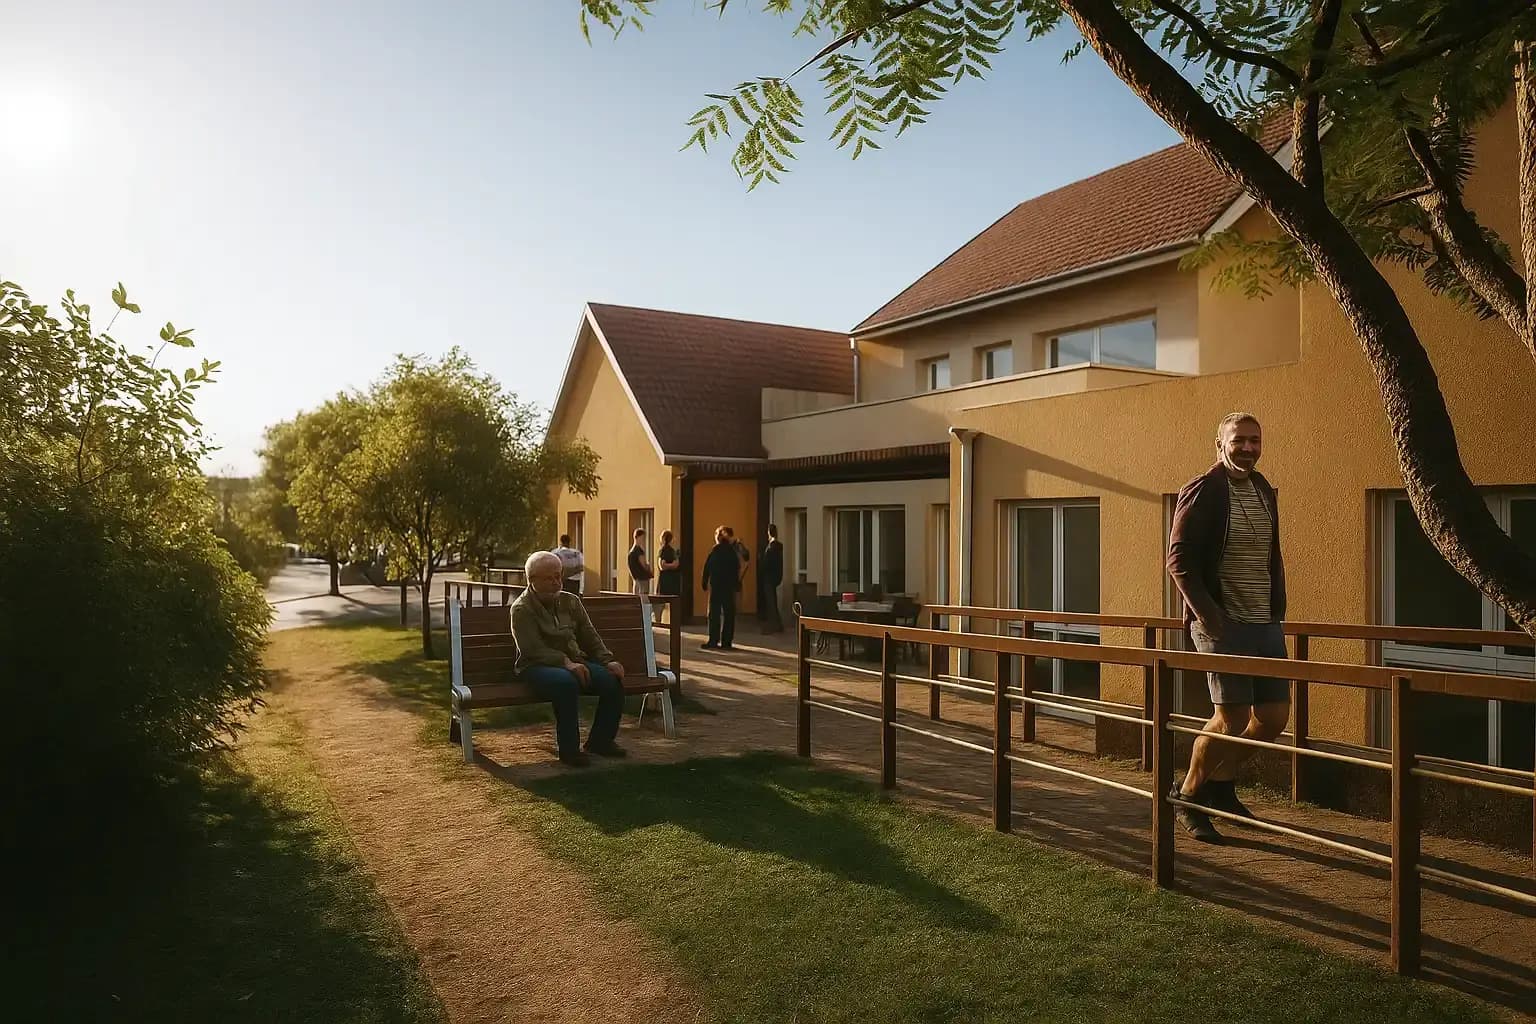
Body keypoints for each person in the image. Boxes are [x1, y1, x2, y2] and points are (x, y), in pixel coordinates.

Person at [1166, 411, 1289, 844]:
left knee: (1273, 719)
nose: (1248, 448)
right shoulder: (1204, 489)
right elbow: (1178, 561)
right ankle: (1187, 794)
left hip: (1264, 621)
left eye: (1255, 440)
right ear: (1220, 444)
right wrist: (1209, 618)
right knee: (1231, 717)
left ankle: (1220, 784)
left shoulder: (1263, 489)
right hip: (1222, 624)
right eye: (1239, 440)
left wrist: (1275, 608)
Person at [511, 551, 629, 767]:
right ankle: (569, 751)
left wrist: (607, 660)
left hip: (575, 663)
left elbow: (590, 636)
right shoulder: (522, 609)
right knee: (565, 683)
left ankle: (600, 742)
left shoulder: (571, 601)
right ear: (532, 580)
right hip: (536, 666)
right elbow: (532, 649)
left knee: (612, 680)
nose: (556, 582)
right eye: (549, 578)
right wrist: (566, 662)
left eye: (558, 576)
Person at [701, 526, 740, 651]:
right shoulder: (732, 552)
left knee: (714, 614)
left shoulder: (715, 551)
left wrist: (704, 582)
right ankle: (726, 642)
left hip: (716, 586)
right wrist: (737, 584)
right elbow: (736, 568)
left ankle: (713, 640)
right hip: (728, 587)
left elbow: (707, 568)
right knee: (729, 614)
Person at [759, 523, 784, 633]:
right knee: (772, 600)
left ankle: (774, 624)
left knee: (771, 602)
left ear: (769, 532)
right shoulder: (777, 546)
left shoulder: (772, 547)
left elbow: (768, 563)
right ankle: (778, 624)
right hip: (775, 577)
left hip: (769, 577)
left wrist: (762, 562)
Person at [655, 529, 681, 622]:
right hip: (671, 580)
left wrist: (667, 565)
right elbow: (665, 565)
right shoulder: (669, 551)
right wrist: (672, 565)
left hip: (665, 580)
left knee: (661, 603)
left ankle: (658, 622)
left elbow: (662, 565)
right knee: (670, 603)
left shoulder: (665, 551)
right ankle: (673, 623)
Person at [627, 528, 653, 596]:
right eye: (642, 537)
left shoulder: (631, 552)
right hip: (642, 580)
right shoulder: (638, 551)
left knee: (636, 598)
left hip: (636, 580)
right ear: (638, 537)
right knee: (644, 599)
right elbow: (643, 565)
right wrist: (649, 568)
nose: (643, 540)